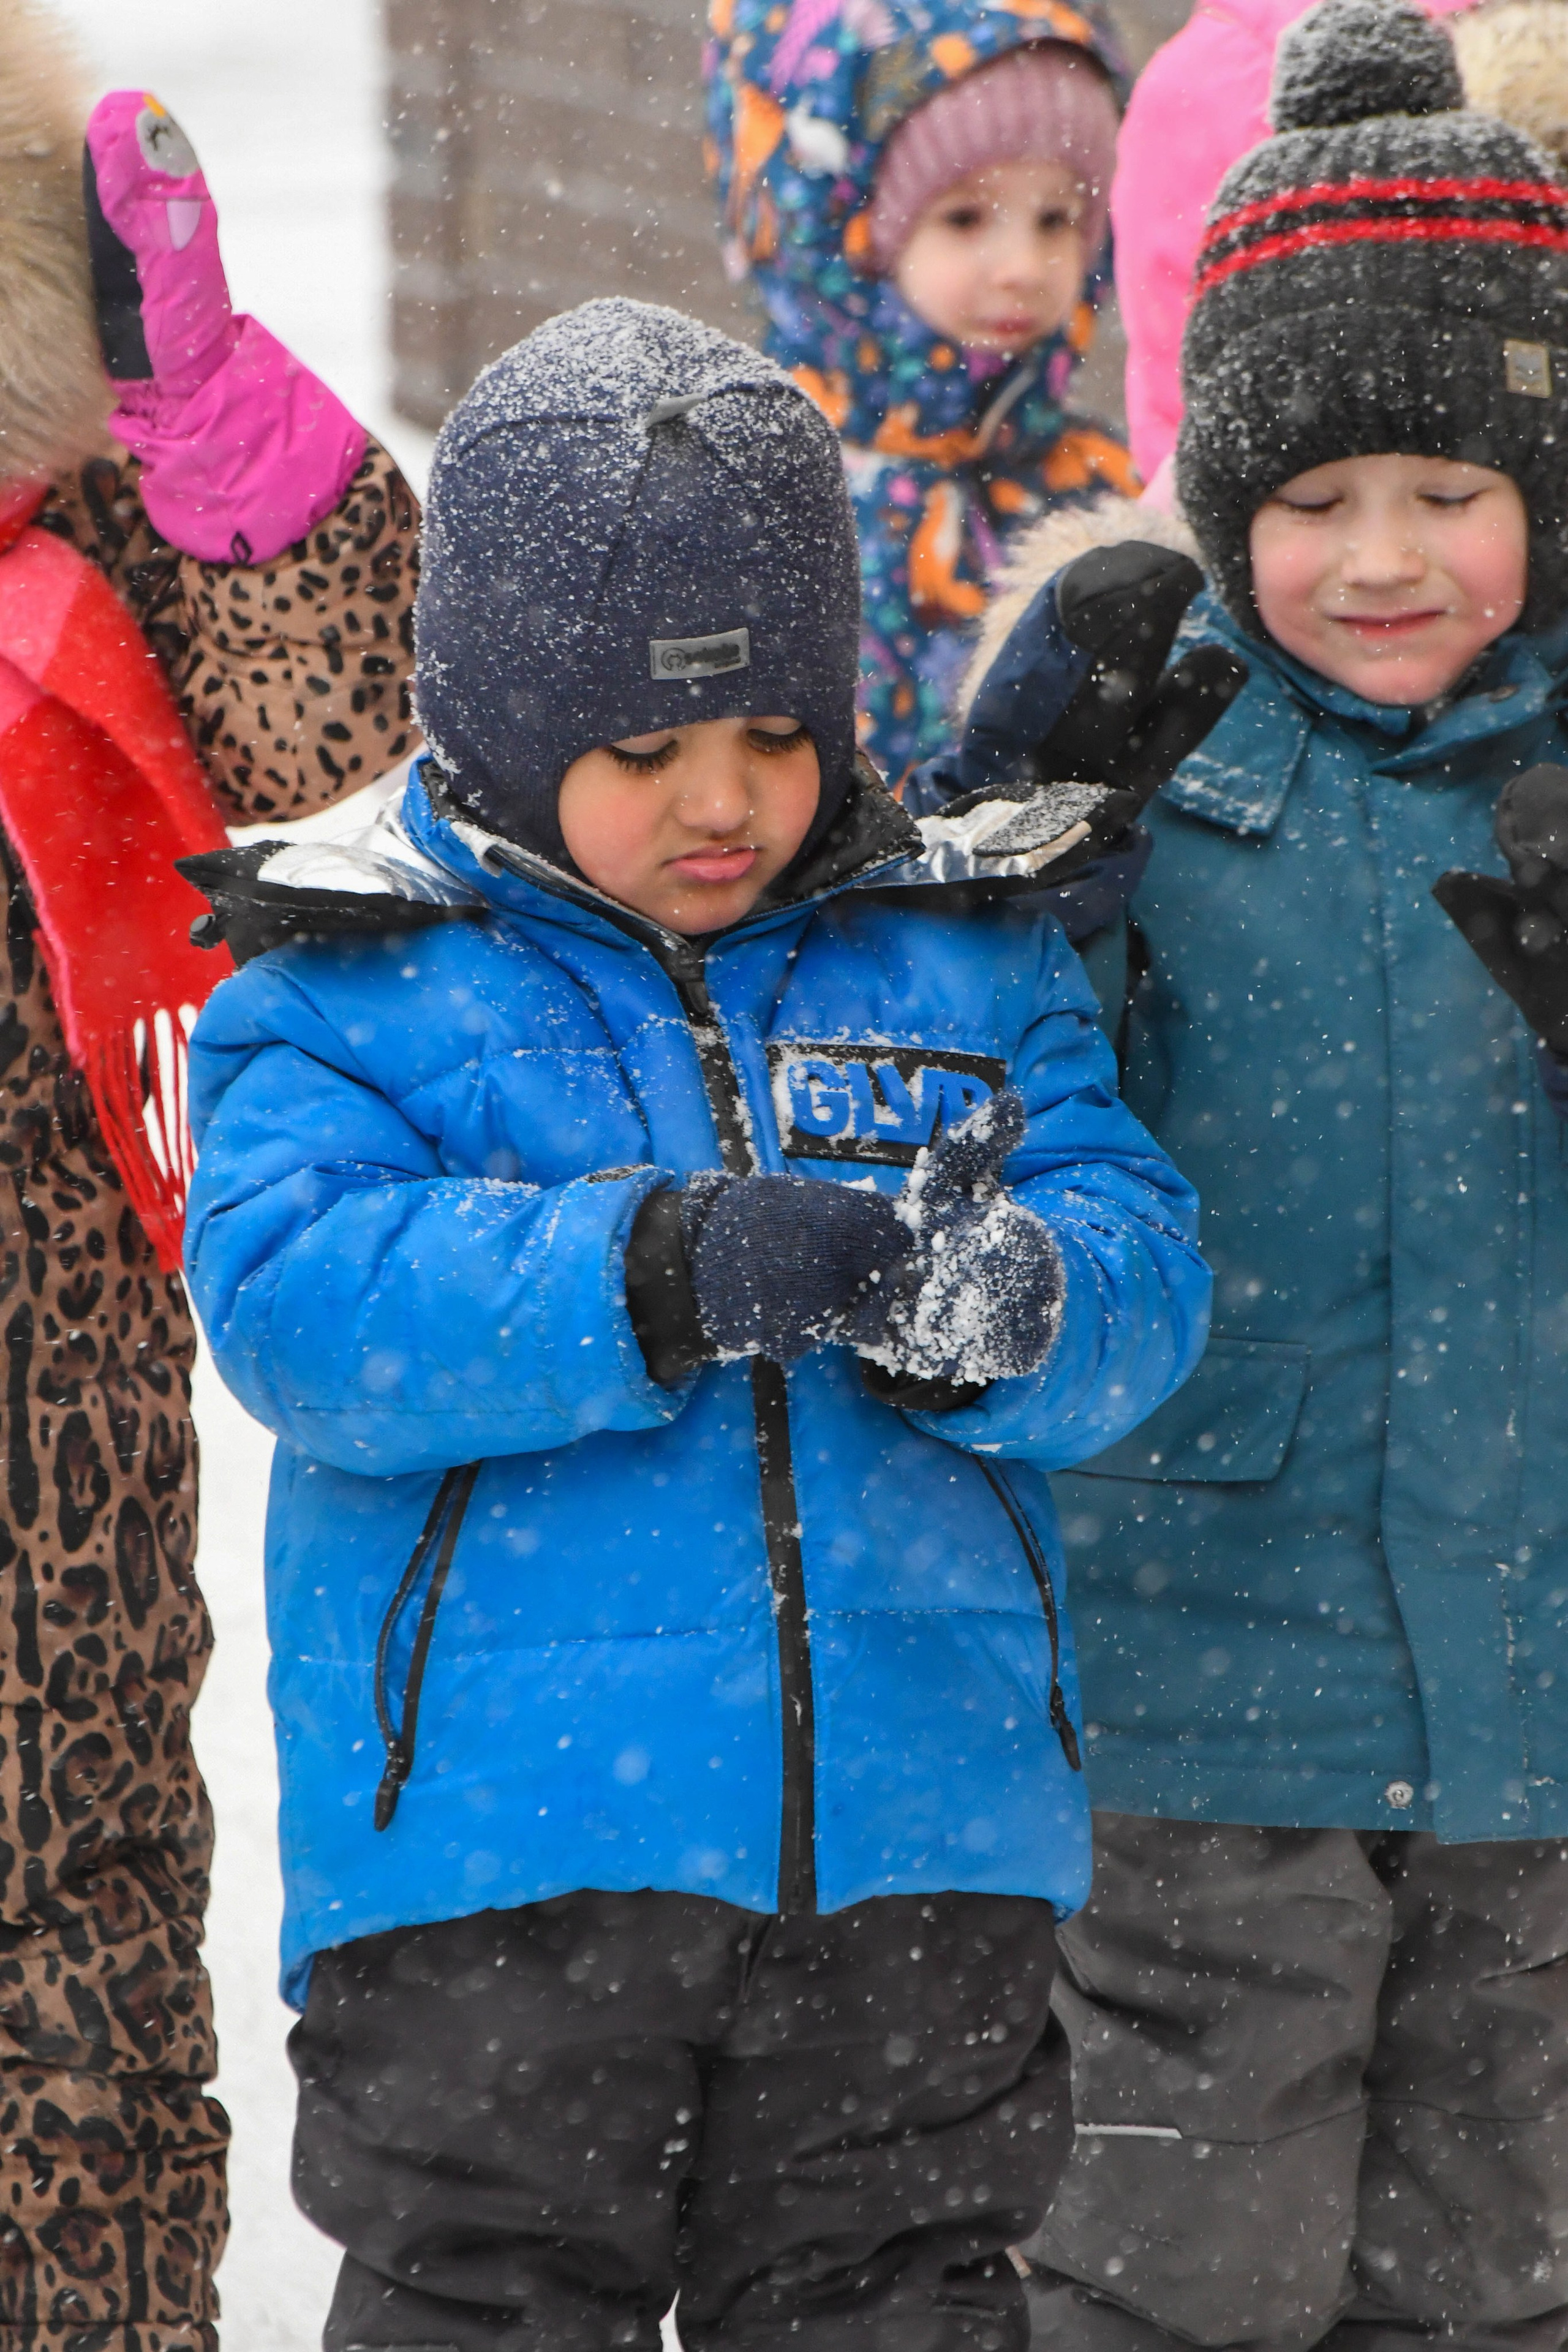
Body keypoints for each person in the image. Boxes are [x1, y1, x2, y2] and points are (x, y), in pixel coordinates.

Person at [177, 295, 1212, 2352]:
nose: (722, 799)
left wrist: (1013, 1300)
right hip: (502, 1865)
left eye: (773, 732)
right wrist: (639, 1269)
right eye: (644, 752)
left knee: (898, 2301)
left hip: (917, 1853)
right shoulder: (352, 981)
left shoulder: (949, 955)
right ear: (497, 720)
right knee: (491, 2303)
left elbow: (1137, 1251)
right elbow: (301, 1299)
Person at [933, 5, 1568, 2346]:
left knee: (1489, 2280)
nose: (1374, 559)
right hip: (1206, 1701)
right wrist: (1016, 872)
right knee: (1165, 2279)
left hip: (1538, 1710)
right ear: (1216, 504)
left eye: (1443, 489)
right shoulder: (1160, 755)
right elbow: (980, 1129)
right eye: (1304, 503)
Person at [0, 9, 420, 2340]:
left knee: (72, 2053)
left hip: (45, 1592)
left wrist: (230, 463)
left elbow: (379, 798)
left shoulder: (97, 583)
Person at [704, 0, 1133, 786]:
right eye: (966, 218)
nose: (1021, 266)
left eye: (1056, 220)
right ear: (839, 228)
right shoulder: (749, 494)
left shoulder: (1096, 487)